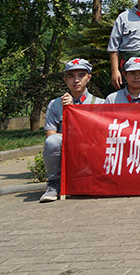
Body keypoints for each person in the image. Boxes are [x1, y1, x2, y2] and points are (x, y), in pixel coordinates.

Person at [41, 58, 99, 203]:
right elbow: (51, 135)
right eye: (71, 76)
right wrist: (67, 110)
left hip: (91, 153)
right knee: (52, 141)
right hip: (67, 149)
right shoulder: (55, 104)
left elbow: (98, 136)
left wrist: (74, 110)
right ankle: (54, 184)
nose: (76, 80)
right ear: (65, 79)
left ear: (89, 78)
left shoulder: (100, 103)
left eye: (81, 75)